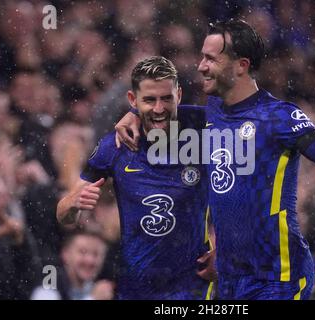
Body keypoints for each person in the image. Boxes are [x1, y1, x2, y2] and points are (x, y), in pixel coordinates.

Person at [115, 19, 315, 300]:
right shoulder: (214, 110)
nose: (200, 66)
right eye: (201, 56)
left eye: (210, 59)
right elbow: (169, 113)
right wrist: (135, 113)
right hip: (231, 279)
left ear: (241, 65)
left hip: (278, 278)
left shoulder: (278, 117)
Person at [57, 56, 215, 300]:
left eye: (166, 98)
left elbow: (252, 120)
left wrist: (227, 252)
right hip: (135, 289)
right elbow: (65, 215)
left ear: (179, 95)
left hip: (193, 287)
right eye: (149, 100)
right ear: (133, 100)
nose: (159, 109)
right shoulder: (115, 146)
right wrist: (72, 204)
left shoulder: (203, 127)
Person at [30, 229, 113, 300]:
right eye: (82, 252)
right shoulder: (49, 280)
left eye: (96, 254)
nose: (90, 260)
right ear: (65, 254)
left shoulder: (102, 288)